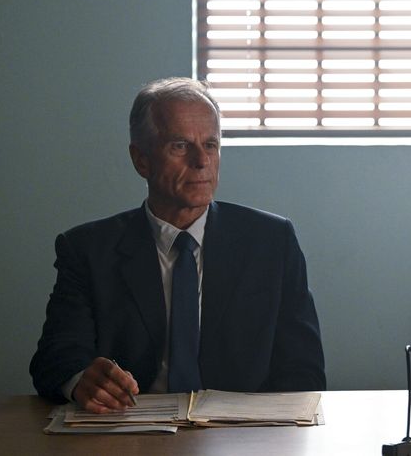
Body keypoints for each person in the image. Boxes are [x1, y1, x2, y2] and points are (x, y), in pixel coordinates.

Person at [30, 78, 325, 412]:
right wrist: (82, 379)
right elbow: (55, 358)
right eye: (180, 146)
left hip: (243, 435)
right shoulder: (87, 249)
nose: (201, 161)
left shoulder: (272, 242)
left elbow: (304, 370)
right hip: (130, 433)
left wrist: (264, 431)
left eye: (211, 145)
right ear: (141, 160)